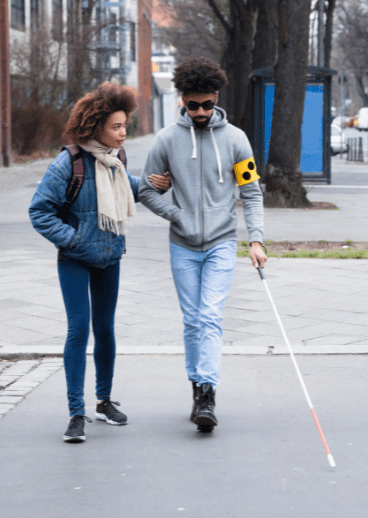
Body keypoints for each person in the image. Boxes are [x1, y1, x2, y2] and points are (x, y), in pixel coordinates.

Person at [28, 82, 170, 443]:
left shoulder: (117, 160)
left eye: (125, 125)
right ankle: (76, 412)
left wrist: (150, 184)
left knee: (105, 329)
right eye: (116, 127)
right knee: (79, 329)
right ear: (95, 127)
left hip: (110, 256)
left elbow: (120, 188)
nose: (124, 133)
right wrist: (74, 240)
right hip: (75, 258)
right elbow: (40, 212)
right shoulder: (68, 163)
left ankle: (104, 401)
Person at [138, 58, 267, 432]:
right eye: (192, 105)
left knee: (210, 315)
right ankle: (197, 386)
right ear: (182, 100)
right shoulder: (165, 140)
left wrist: (255, 239)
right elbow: (146, 190)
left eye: (206, 104)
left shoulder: (236, 139)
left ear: (216, 99)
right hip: (182, 244)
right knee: (192, 319)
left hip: (222, 243)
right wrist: (175, 214)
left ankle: (208, 392)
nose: (200, 112)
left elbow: (251, 193)